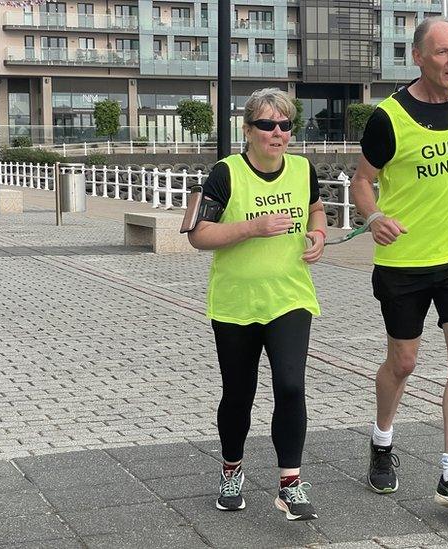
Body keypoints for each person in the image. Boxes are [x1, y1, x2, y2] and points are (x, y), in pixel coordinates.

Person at [350, 16, 448, 515]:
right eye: (442, 53)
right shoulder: (388, 118)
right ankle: (382, 439)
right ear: (417, 57)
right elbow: (362, 180)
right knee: (403, 363)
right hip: (404, 262)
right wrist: (374, 216)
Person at [185, 88, 326, 521]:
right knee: (239, 394)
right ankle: (232, 470)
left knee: (290, 386)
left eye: (285, 125)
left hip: (290, 297)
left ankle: (290, 483)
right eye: (267, 125)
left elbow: (317, 209)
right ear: (247, 131)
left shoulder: (303, 170)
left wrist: (318, 235)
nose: (278, 133)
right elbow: (197, 235)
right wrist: (252, 227)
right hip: (235, 303)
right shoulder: (226, 174)